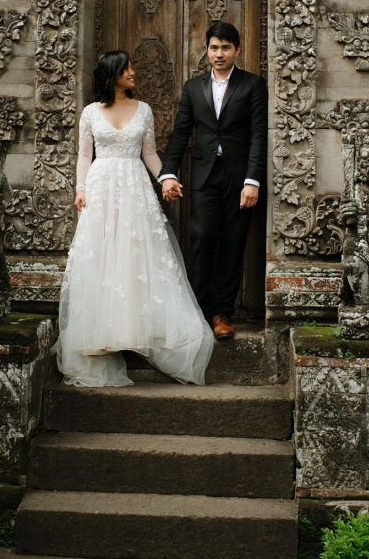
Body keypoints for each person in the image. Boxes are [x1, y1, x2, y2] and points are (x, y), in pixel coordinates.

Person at [53, 50, 214, 388]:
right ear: (112, 74)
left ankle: (134, 327)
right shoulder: (90, 113)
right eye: (127, 68)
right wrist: (80, 188)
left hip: (134, 187)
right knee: (103, 256)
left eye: (132, 67)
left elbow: (150, 153)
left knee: (134, 255)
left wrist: (165, 179)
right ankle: (103, 330)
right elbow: (84, 155)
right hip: (100, 188)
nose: (133, 72)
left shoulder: (143, 110)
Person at [160, 21, 268, 341]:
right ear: (207, 50)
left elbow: (259, 134)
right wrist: (169, 173)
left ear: (236, 50)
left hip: (239, 177)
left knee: (233, 244)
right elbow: (181, 132)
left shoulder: (252, 85)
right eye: (213, 47)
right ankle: (196, 312)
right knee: (202, 238)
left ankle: (222, 314)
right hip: (204, 175)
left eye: (225, 47)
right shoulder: (193, 88)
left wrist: (253, 180)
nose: (218, 53)